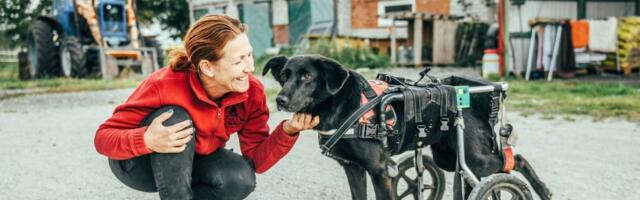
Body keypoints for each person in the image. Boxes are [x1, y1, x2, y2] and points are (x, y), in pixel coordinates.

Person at [94, 14, 319, 200]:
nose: (249, 67)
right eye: (239, 60)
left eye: (249, 55)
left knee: (239, 177)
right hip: (138, 166)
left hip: (192, 162)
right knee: (176, 118)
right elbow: (103, 137)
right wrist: (146, 139)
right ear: (208, 68)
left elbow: (256, 161)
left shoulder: (251, 91)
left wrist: (288, 131)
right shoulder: (164, 84)